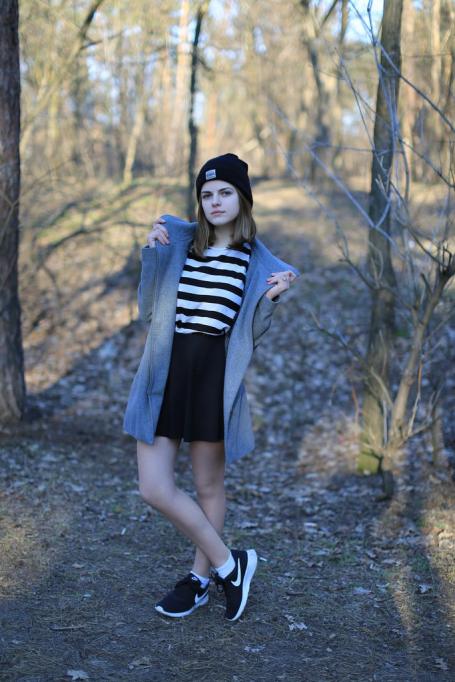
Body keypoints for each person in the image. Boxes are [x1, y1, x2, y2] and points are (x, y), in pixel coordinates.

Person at [123, 153, 300, 622]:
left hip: (214, 377)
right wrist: (153, 254)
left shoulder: (258, 262)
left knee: (208, 484)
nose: (215, 201)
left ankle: (201, 580)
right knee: (153, 487)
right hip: (165, 369)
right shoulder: (179, 241)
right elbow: (148, 309)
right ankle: (230, 564)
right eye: (207, 194)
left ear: (243, 199)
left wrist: (272, 297)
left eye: (225, 193)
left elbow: (250, 334)